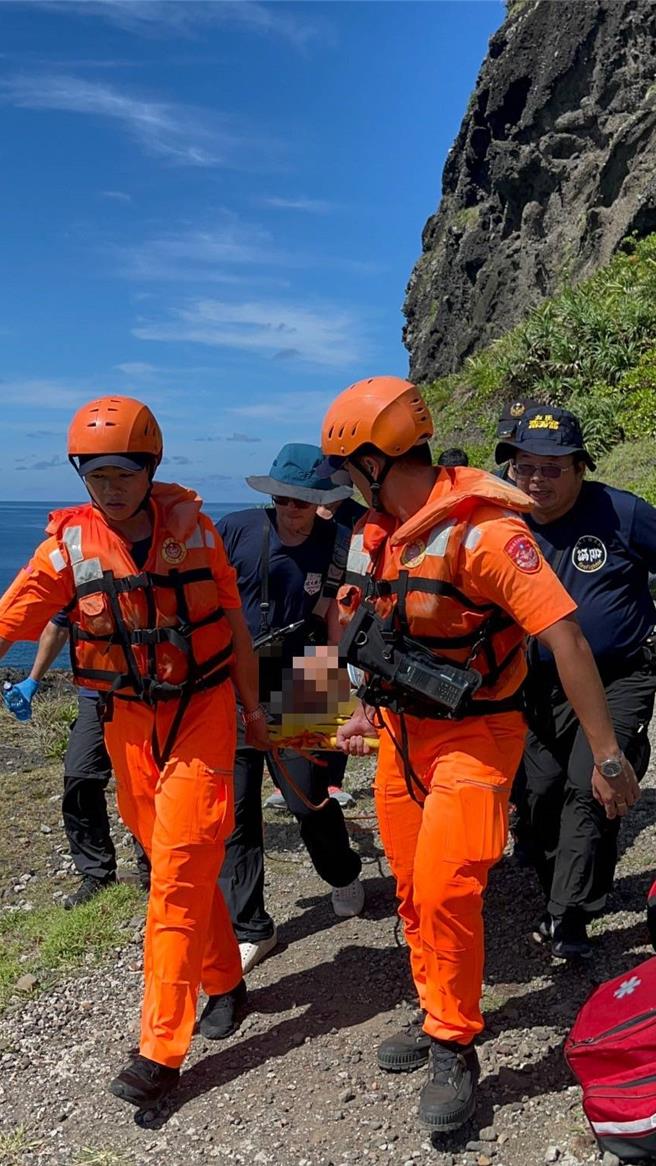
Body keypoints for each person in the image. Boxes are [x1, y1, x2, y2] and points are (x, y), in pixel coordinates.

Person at [319, 375, 639, 1133]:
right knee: (409, 890)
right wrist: (319, 723)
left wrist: (608, 755)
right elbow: (340, 626)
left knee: (446, 887)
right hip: (401, 734)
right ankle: (437, 1005)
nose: (342, 485)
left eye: (345, 468)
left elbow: (564, 639)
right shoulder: (374, 534)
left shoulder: (488, 533)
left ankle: (454, 1045)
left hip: (477, 733)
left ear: (373, 460)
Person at [0, 395, 269, 1109]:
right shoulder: (67, 547)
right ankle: (224, 980)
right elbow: (12, 617)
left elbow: (236, 633)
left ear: (150, 468)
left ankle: (159, 1049)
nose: (108, 488)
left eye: (122, 472)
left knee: (175, 872)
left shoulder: (201, 536)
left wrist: (254, 712)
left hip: (203, 715)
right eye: (95, 474)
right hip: (125, 723)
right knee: (179, 860)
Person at [495, 406, 656, 959]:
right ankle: (567, 884)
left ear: (580, 467)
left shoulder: (623, 514)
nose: (536, 480)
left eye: (552, 468)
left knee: (592, 784)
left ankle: (569, 918)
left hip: (618, 677)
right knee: (538, 796)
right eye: (524, 468)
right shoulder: (503, 524)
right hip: (536, 687)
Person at [217, 443, 365, 974]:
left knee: (307, 799)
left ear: (322, 500)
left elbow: (339, 619)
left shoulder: (340, 543)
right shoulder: (234, 530)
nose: (289, 509)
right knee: (235, 813)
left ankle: (343, 871)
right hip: (239, 676)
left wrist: (345, 690)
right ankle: (251, 927)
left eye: (301, 501)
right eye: (281, 498)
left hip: (307, 672)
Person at [3, 617, 151, 907]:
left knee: (141, 780)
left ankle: (154, 868)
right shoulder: (78, 575)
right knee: (80, 775)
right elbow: (57, 626)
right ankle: (97, 874)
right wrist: (33, 680)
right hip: (94, 693)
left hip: (143, 693)